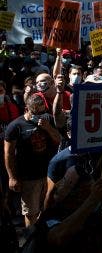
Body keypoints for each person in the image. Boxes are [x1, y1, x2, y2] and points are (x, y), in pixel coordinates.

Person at [4, 94, 61, 226]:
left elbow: (58, 139)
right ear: (27, 109)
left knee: (47, 208)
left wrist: (48, 127)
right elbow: (8, 153)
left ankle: (42, 235)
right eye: (36, 112)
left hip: (48, 174)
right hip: (29, 176)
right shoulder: (16, 126)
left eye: (42, 111)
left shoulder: (48, 119)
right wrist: (12, 177)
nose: (40, 115)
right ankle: (31, 239)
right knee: (31, 212)